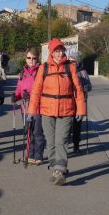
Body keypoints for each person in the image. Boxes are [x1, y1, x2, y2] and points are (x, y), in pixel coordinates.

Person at [27, 38, 86, 185]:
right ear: (51, 52)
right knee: (51, 141)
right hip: (47, 110)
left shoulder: (70, 67)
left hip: (66, 110)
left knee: (61, 140)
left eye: (61, 50)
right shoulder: (44, 68)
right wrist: (31, 111)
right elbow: (36, 91)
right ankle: (54, 167)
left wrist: (81, 109)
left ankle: (60, 170)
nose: (59, 54)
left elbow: (78, 90)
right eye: (56, 51)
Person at [12, 48, 45, 165]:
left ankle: (38, 155)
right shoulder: (23, 73)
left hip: (38, 107)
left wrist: (30, 95)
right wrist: (15, 96)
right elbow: (19, 89)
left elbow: (43, 90)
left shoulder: (41, 71)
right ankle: (30, 154)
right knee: (29, 132)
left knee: (38, 133)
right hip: (25, 107)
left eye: (34, 58)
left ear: (38, 58)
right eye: (29, 58)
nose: (31, 60)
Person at [68, 51, 92, 153]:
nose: (71, 63)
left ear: (77, 61)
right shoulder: (66, 70)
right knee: (67, 125)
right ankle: (64, 144)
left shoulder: (83, 72)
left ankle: (76, 145)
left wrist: (86, 87)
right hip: (68, 101)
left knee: (77, 125)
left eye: (73, 61)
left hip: (79, 103)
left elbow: (89, 86)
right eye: (70, 61)